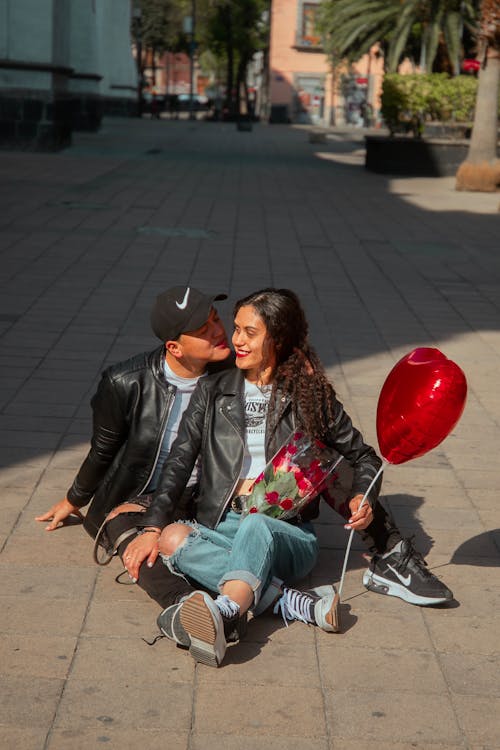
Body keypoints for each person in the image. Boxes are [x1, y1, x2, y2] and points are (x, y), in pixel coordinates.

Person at [124, 288, 453, 668]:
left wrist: (362, 494)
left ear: (277, 339)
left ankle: (229, 610)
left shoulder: (310, 395)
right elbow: (180, 463)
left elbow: (363, 456)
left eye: (250, 332)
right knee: (172, 538)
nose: (237, 340)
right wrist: (151, 526)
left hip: (287, 535)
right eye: (236, 328)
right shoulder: (213, 390)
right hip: (223, 523)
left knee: (256, 526)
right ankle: (291, 602)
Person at [35, 286, 235, 611]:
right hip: (146, 497)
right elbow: (103, 450)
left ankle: (237, 599)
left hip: (209, 495)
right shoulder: (125, 382)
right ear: (175, 347)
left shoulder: (235, 373)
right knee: (122, 528)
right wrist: (74, 499)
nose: (218, 331)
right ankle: (187, 606)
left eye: (215, 319)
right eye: (204, 330)